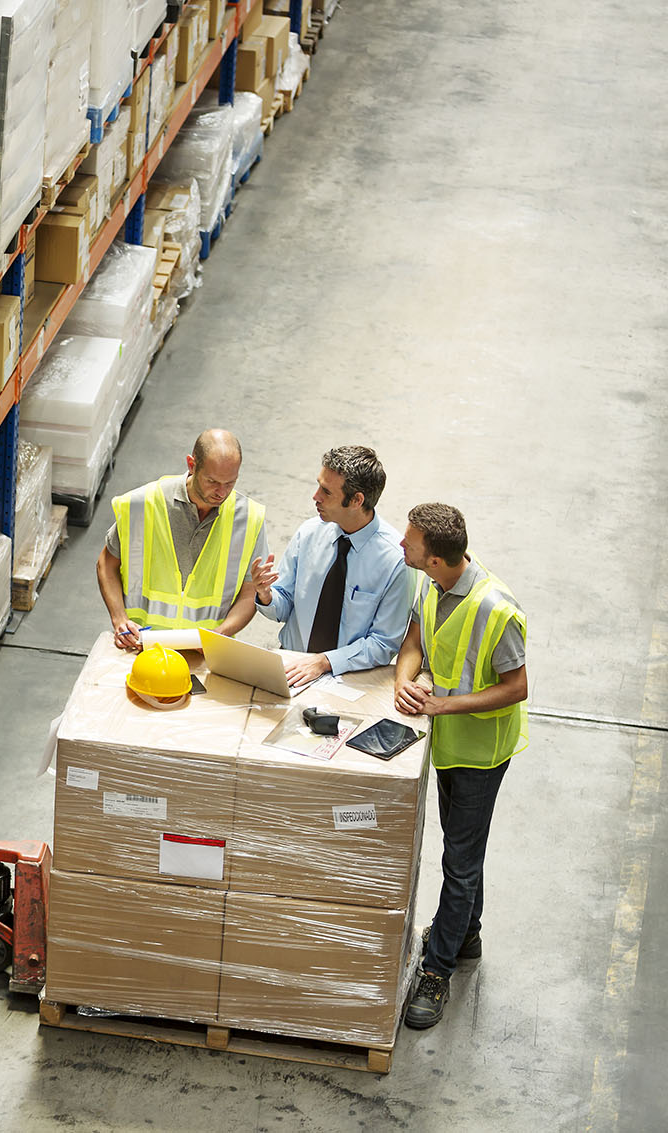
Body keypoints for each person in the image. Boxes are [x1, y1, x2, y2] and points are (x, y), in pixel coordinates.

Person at [392, 502, 529, 1030]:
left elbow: (517, 687)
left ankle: (437, 968)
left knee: (459, 861)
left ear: (436, 558)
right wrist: (405, 681)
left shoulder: (498, 608)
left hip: (480, 754)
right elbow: (414, 644)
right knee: (463, 849)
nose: (402, 545)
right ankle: (465, 934)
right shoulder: (432, 587)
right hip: (445, 745)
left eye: (411, 542)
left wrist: (441, 705)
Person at [249, 445, 415, 686]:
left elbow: (383, 643)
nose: (315, 496)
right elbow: (284, 606)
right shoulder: (308, 534)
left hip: (346, 680)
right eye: (319, 485)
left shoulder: (395, 562)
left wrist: (324, 662)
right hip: (292, 668)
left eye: (326, 491)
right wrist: (266, 595)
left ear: (357, 500)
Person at [96, 428, 268, 650]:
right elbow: (106, 564)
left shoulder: (248, 518)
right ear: (191, 464)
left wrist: (219, 635)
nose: (221, 493)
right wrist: (119, 619)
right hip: (142, 648)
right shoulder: (143, 505)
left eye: (230, 483)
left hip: (205, 656)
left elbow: (250, 590)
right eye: (212, 481)